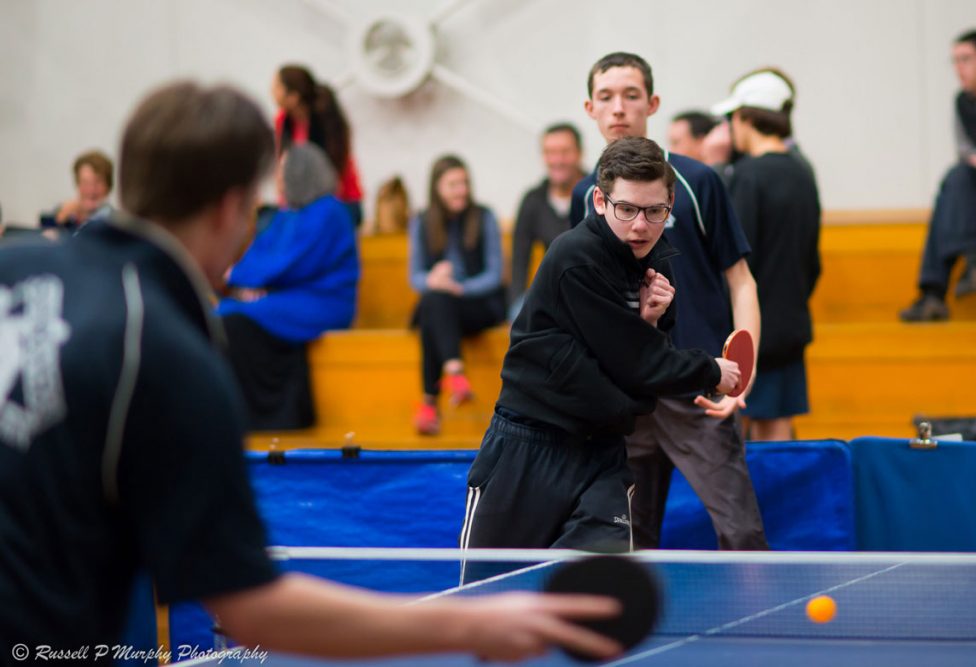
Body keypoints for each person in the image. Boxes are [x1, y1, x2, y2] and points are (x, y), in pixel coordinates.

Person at [0, 81, 622, 665]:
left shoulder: (14, 266)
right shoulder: (172, 354)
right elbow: (250, 610)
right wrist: (473, 623)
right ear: (231, 208)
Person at [460, 137, 741, 558]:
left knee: (601, 595)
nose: (641, 226)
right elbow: (639, 365)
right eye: (626, 209)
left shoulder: (658, 258)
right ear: (599, 200)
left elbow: (634, 358)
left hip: (602, 453)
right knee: (485, 602)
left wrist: (651, 321)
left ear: (670, 204)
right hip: (530, 447)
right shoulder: (576, 259)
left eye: (655, 211)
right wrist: (712, 371)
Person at [570, 52, 769, 552]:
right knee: (627, 544)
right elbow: (583, 299)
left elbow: (741, 282)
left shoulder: (698, 182)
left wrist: (740, 375)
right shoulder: (585, 196)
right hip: (624, 395)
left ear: (652, 104)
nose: (619, 109)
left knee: (742, 533)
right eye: (607, 98)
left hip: (697, 387)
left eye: (631, 96)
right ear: (590, 108)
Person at [712, 69, 822, 441]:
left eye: (733, 119)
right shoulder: (803, 171)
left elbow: (738, 258)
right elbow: (812, 259)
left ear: (746, 117)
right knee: (779, 437)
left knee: (747, 442)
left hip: (752, 329)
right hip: (791, 325)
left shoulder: (747, 175)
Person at [217, 144, 360, 430]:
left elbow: (297, 262)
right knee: (222, 313)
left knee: (231, 317)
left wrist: (241, 277)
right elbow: (261, 255)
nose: (279, 180)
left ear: (301, 173)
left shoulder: (330, 211)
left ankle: (263, 416)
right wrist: (246, 281)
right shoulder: (286, 215)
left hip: (324, 300)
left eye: (283, 172)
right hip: (288, 297)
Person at [900, 29, 976, 322]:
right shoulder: (962, 103)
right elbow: (967, 155)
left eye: (966, 59)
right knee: (956, 183)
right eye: (954, 61)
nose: (959, 68)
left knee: (952, 191)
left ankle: (934, 292)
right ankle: (970, 266)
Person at [409, 155, 505, 436]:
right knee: (433, 300)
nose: (461, 190)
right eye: (452, 184)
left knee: (433, 304)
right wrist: (432, 279)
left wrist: (461, 288)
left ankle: (430, 402)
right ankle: (455, 375)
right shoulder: (422, 221)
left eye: (464, 183)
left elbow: (495, 274)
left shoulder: (483, 216)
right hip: (442, 306)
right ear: (437, 188)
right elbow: (414, 277)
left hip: (478, 304)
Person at [507, 123, 585, 320]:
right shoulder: (533, 200)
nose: (557, 160)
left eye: (564, 152)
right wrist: (516, 305)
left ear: (579, 153)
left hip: (593, 294)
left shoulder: (598, 193)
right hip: (550, 294)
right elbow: (519, 260)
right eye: (550, 152)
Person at [272, 64, 365, 227]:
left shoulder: (326, 120)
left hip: (338, 202)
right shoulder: (283, 122)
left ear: (293, 96)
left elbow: (334, 173)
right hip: (300, 207)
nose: (272, 92)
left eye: (277, 87)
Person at [40, 150, 115, 235]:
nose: (91, 189)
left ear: (108, 186)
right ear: (77, 184)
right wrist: (59, 219)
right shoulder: (64, 212)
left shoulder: (113, 223)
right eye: (85, 182)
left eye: (97, 182)